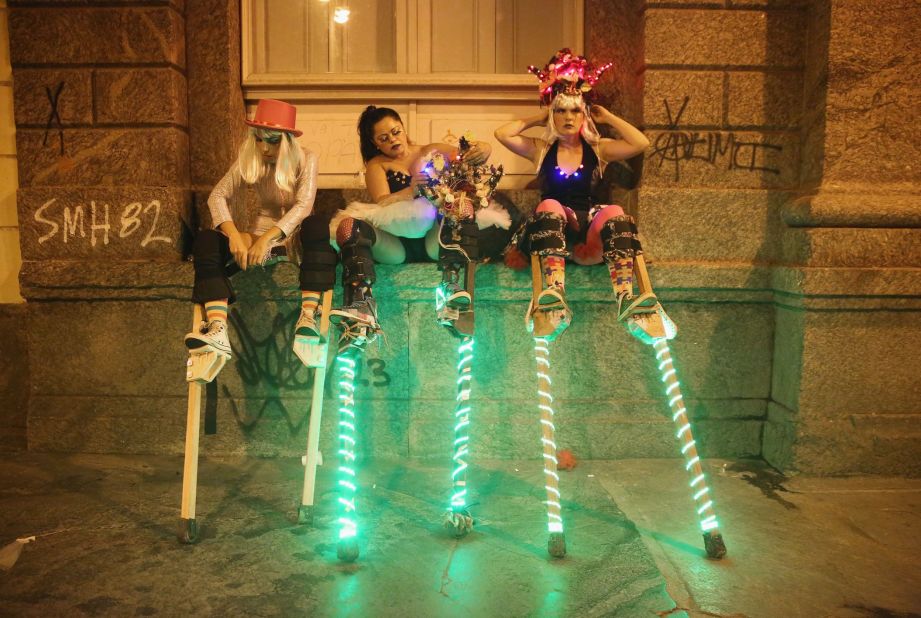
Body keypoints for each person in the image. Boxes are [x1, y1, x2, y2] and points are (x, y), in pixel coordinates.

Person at [494, 48, 660, 339]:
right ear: (553, 114)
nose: (568, 117)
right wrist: (541, 114)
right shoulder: (542, 149)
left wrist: (608, 117)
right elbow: (502, 133)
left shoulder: (598, 148)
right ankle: (553, 291)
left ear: (584, 115)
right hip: (551, 232)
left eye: (575, 110)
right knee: (550, 204)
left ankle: (625, 296)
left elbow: (641, 142)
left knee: (616, 213)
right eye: (561, 110)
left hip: (588, 236)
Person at [327, 106, 510, 343]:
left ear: (403, 129)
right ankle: (361, 303)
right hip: (396, 245)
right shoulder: (376, 166)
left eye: (395, 132)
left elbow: (466, 155)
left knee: (461, 206)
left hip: (434, 239)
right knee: (349, 226)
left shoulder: (429, 151)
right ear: (375, 143)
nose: (393, 140)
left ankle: (450, 287)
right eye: (384, 138)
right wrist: (411, 189)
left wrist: (485, 148)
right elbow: (382, 202)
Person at [184, 98, 334, 355]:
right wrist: (232, 235)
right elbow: (217, 195)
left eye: (273, 140)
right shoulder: (252, 158)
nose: (264, 147)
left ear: (287, 140)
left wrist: (268, 240)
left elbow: (303, 206)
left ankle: (308, 315)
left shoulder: (307, 158)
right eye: (259, 138)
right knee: (206, 240)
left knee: (317, 224)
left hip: (295, 237)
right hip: (258, 234)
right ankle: (217, 326)